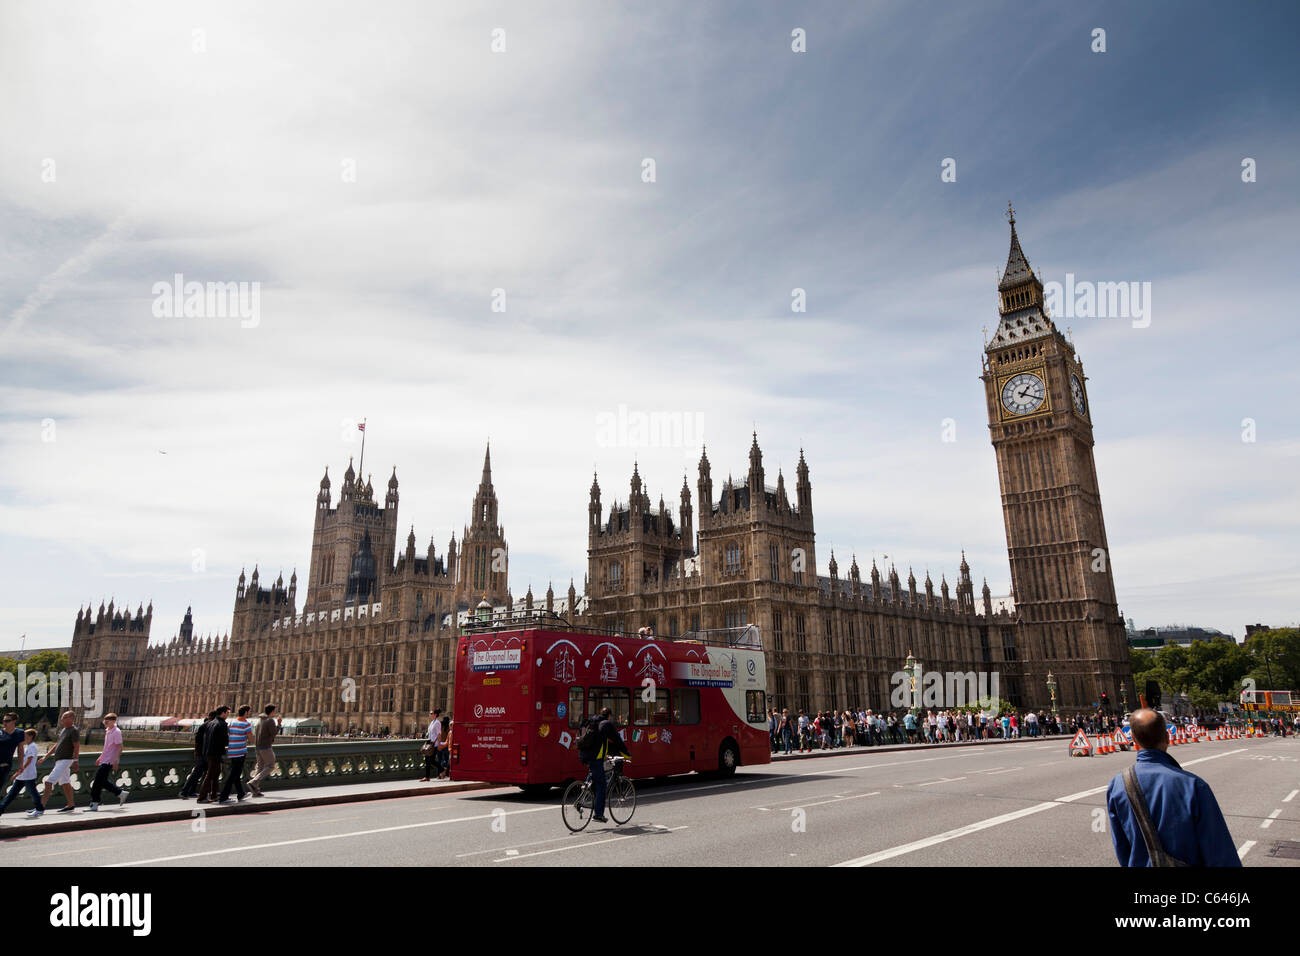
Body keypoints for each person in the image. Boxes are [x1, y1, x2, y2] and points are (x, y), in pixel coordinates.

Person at [1106, 709, 1239, 867]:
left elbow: (1122, 848)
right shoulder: (1194, 786)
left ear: (1133, 739)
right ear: (1167, 737)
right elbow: (1219, 852)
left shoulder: (1118, 784)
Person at [577, 707, 629, 824]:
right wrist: (626, 754)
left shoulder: (592, 721)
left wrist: (605, 755)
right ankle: (598, 814)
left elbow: (597, 742)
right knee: (602, 785)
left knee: (594, 775)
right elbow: (617, 740)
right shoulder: (606, 724)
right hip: (595, 758)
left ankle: (582, 795)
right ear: (609, 716)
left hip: (584, 755)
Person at [40, 711, 80, 813]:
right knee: (65, 783)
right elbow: (57, 744)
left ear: (71, 718)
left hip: (66, 760)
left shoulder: (73, 731)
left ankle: (40, 807)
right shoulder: (64, 730)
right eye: (62, 718)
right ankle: (71, 804)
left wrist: (76, 761)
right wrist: (45, 756)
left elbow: (76, 746)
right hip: (60, 760)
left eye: (64, 717)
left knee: (48, 782)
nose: (62, 720)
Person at [87, 713, 129, 811]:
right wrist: (100, 757)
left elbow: (120, 747)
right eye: (105, 719)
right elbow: (107, 747)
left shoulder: (116, 732)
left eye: (108, 720)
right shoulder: (108, 731)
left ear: (114, 721)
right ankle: (121, 793)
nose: (105, 721)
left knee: (97, 782)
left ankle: (94, 804)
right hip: (104, 759)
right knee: (103, 782)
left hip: (110, 761)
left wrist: (115, 761)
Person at [0, 729, 44, 818]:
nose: (22, 737)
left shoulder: (32, 746)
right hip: (23, 775)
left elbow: (29, 760)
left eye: (24, 735)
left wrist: (18, 772)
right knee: (12, 794)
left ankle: (39, 809)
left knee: (33, 793)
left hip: (28, 775)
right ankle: (1, 809)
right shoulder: (27, 746)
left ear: (31, 736)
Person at [219, 705, 252, 802]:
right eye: (249, 712)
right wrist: (245, 737)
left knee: (236, 773)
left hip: (231, 750)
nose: (249, 714)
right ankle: (223, 796)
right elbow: (251, 739)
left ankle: (241, 794)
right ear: (245, 713)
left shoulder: (232, 722)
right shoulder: (246, 724)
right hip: (240, 751)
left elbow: (229, 734)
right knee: (233, 774)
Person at [196, 706, 230, 804]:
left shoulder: (210, 723)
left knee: (216, 773)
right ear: (223, 713)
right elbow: (225, 742)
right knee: (210, 774)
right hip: (216, 752)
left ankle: (214, 795)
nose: (228, 715)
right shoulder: (222, 724)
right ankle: (202, 797)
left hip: (208, 752)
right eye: (227, 713)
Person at [180, 711, 217, 798]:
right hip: (202, 754)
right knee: (198, 773)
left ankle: (192, 791)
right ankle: (184, 791)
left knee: (199, 773)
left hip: (201, 753)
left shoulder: (205, 726)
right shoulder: (208, 726)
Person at [248, 704, 281, 797]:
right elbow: (274, 733)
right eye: (274, 711)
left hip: (257, 747)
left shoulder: (260, 720)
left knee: (260, 768)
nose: (275, 713)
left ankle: (255, 790)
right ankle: (253, 782)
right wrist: (279, 724)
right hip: (266, 747)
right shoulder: (270, 720)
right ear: (272, 711)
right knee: (270, 766)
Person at [0, 714, 22, 789]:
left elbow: (20, 750)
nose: (4, 723)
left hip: (6, 766)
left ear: (14, 721)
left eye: (7, 721)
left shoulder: (19, 733)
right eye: (3, 721)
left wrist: (21, 765)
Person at [421, 709, 442, 781]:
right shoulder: (432, 722)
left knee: (431, 760)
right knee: (427, 760)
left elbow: (439, 734)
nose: (430, 714)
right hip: (429, 743)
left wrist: (439, 745)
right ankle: (427, 777)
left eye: (431, 713)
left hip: (434, 744)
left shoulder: (437, 723)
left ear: (435, 714)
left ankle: (442, 769)